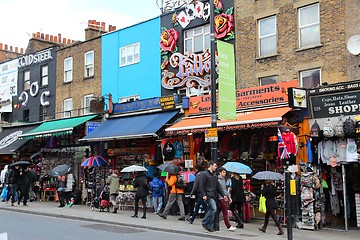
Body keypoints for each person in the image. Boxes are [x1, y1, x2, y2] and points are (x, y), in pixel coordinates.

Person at [198, 161, 227, 232]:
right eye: (215, 166)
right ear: (210, 166)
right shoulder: (204, 174)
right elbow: (201, 185)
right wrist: (204, 194)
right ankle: (205, 222)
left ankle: (209, 225)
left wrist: (223, 195)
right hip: (208, 195)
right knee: (213, 209)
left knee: (213, 210)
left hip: (214, 195)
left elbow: (218, 186)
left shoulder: (214, 175)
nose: (216, 167)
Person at [217, 167, 237, 231]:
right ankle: (228, 226)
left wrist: (229, 197)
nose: (224, 173)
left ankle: (211, 222)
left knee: (217, 211)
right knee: (225, 211)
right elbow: (220, 190)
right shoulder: (217, 180)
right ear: (220, 172)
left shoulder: (223, 179)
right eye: (223, 172)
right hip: (220, 197)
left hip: (223, 197)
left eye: (225, 172)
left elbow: (225, 190)